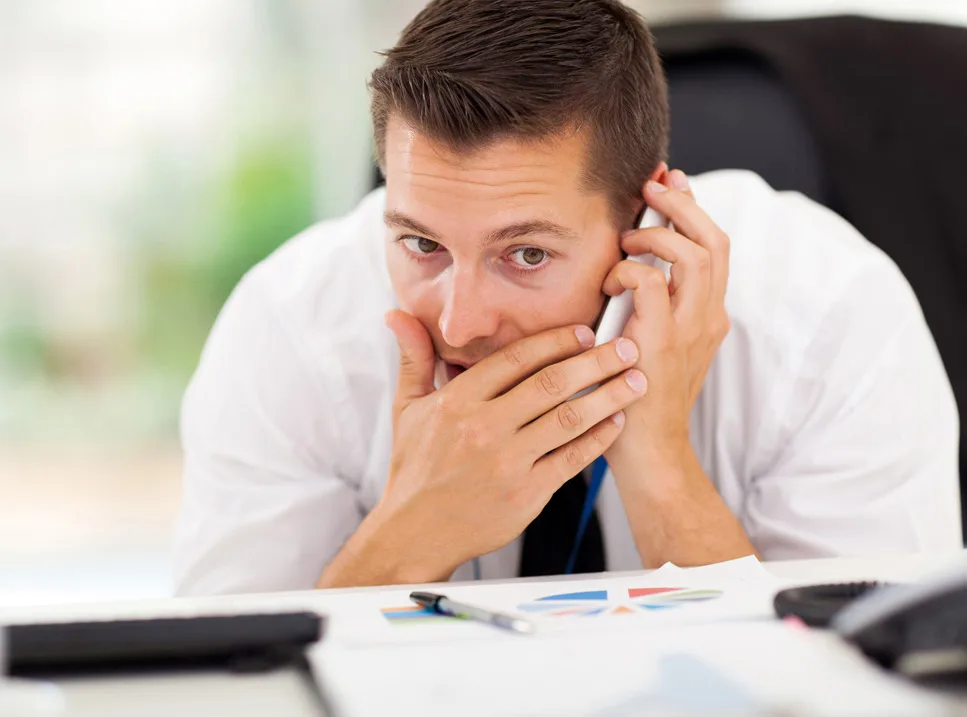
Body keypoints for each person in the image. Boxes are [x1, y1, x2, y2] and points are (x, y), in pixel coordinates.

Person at [173, 0, 960, 596]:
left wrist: (658, 464)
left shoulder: (826, 315)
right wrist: (413, 527)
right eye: (421, 244)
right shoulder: (288, 323)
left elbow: (864, 692)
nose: (458, 320)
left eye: (525, 253)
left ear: (642, 214)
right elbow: (229, 696)